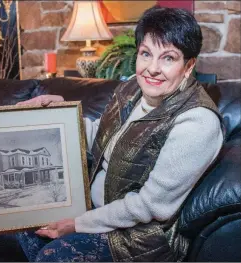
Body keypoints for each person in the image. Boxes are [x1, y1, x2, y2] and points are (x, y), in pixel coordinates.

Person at [16, 6, 224, 262]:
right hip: (95, 211)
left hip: (141, 237)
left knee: (54, 256)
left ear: (188, 66)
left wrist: (77, 223)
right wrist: (62, 115)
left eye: (168, 58)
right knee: (27, 225)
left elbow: (149, 205)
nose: (152, 68)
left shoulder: (197, 121)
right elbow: (101, 139)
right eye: (146, 54)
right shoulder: (131, 90)